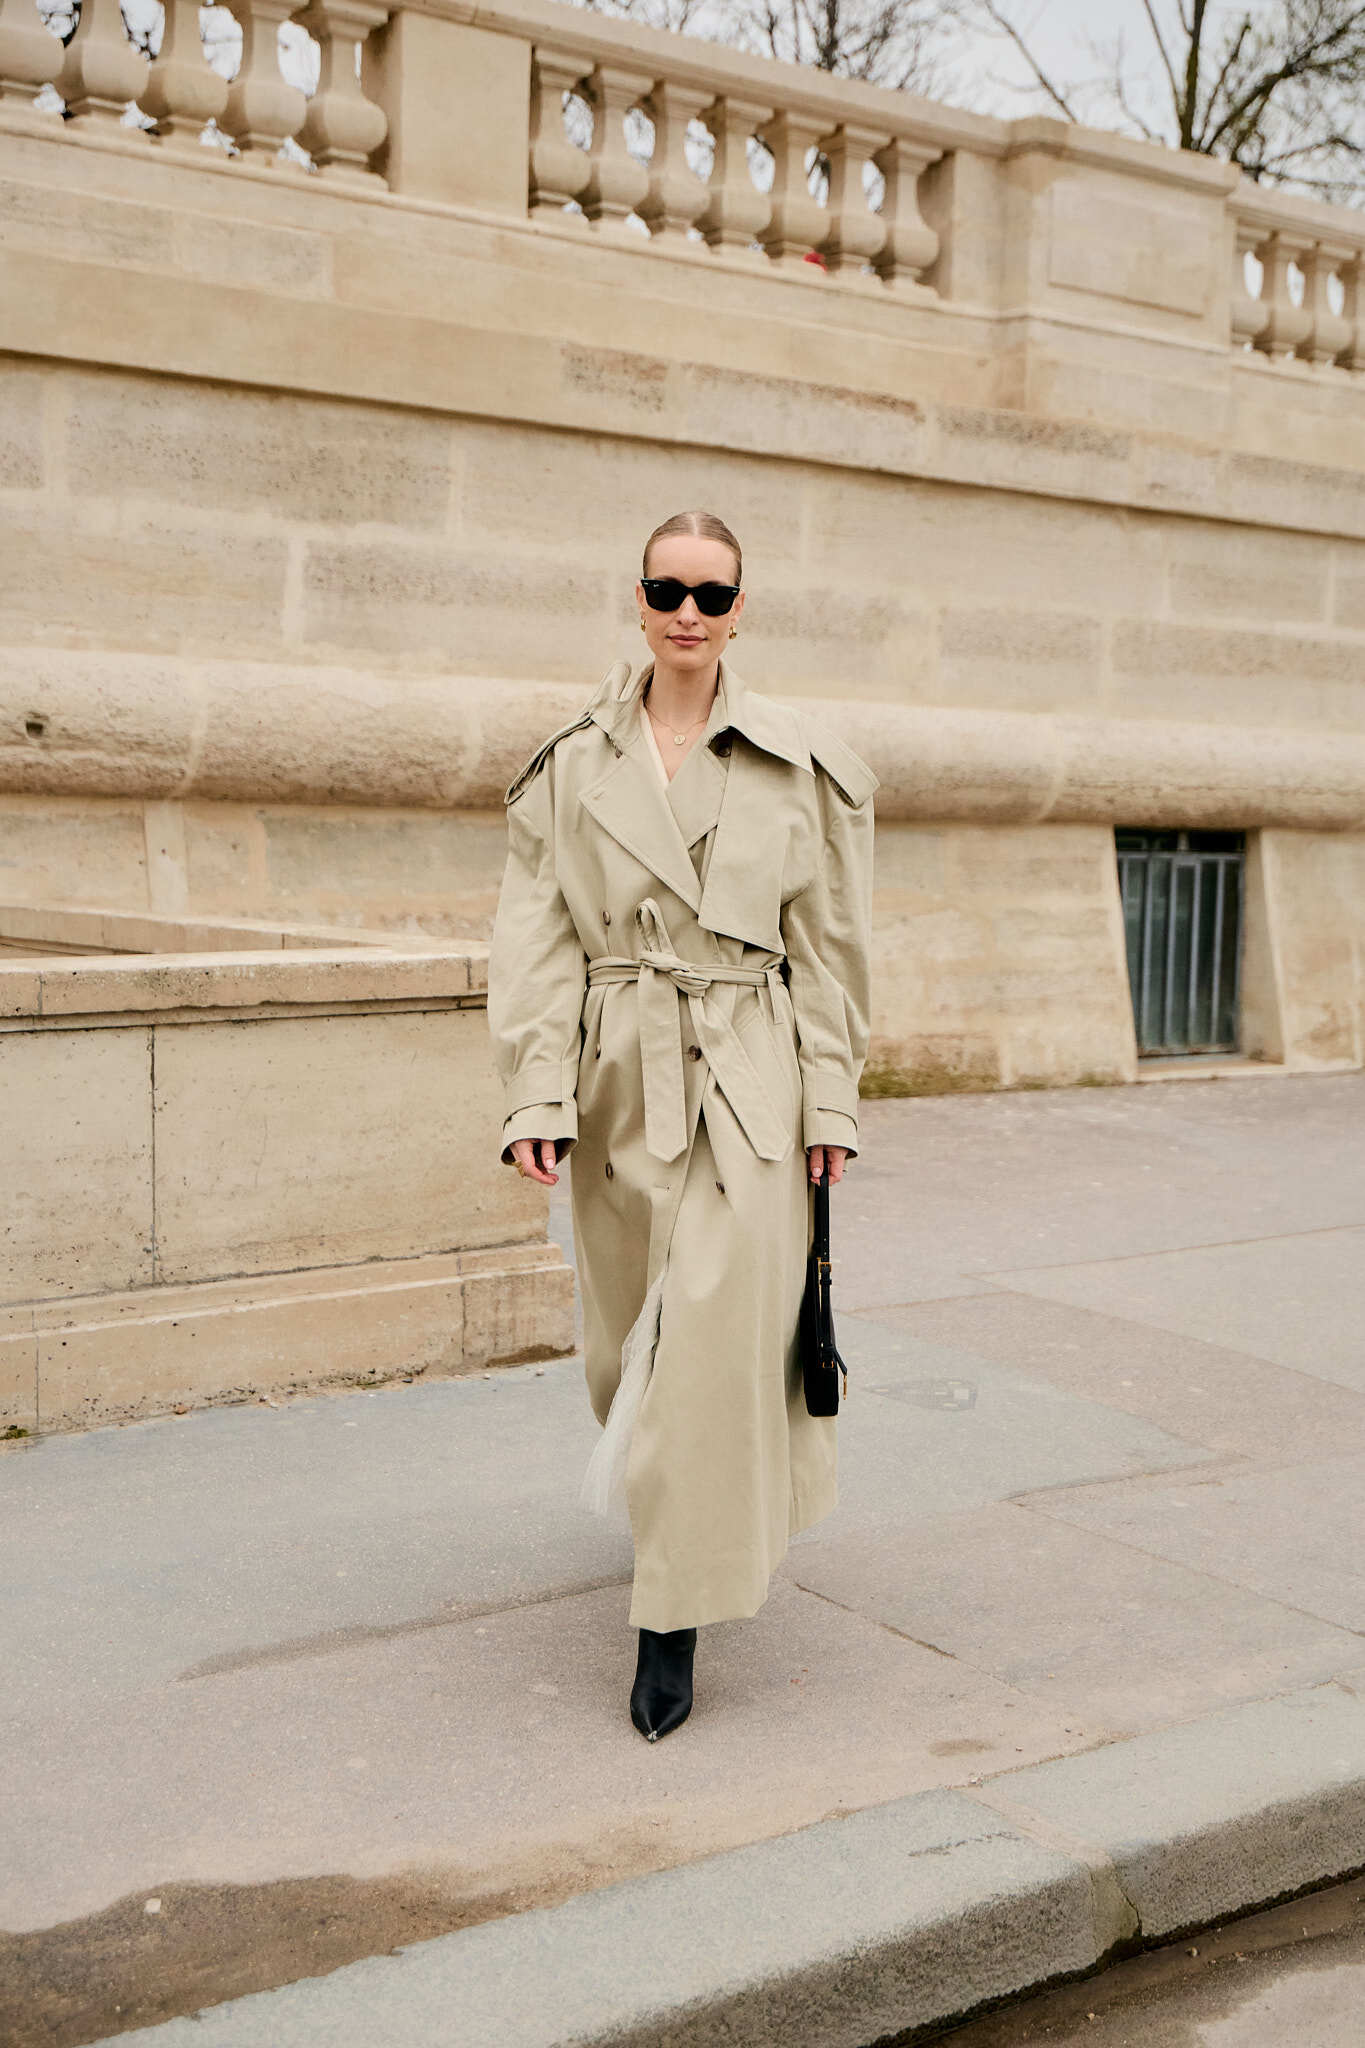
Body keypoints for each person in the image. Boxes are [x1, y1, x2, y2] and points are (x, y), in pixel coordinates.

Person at [487, 510, 876, 1741]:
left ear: (742, 608)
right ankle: (675, 1526)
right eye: (669, 590)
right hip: (616, 1082)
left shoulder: (799, 763)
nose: (690, 613)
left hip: (749, 1082)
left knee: (707, 1343)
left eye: (713, 593)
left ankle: (670, 1620)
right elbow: (538, 937)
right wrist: (535, 1091)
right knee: (623, 1353)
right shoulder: (570, 763)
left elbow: (831, 954)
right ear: (640, 600)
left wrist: (834, 1101)